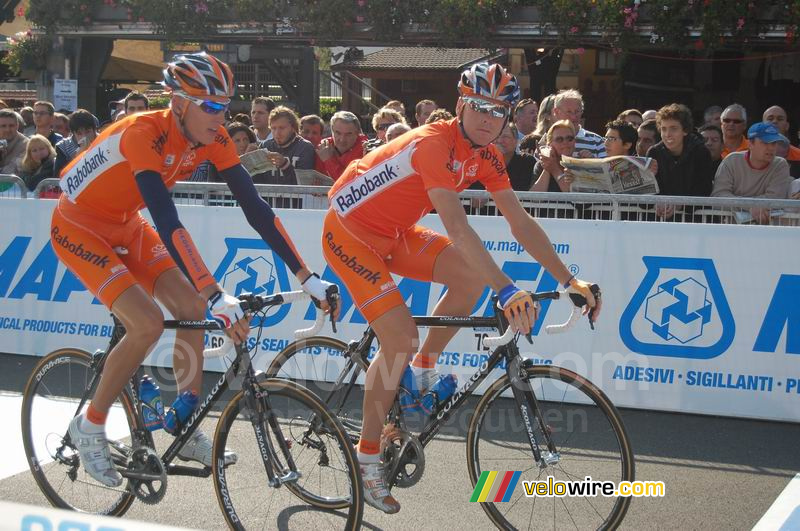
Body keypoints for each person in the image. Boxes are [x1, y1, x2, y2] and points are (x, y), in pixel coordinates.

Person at [322, 62, 599, 513]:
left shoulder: (488, 156)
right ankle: (367, 455)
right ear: (459, 106)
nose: (489, 119)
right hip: (349, 234)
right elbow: (457, 226)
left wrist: (569, 279)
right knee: (399, 337)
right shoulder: (433, 144)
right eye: (478, 107)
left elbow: (520, 223)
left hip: (393, 233)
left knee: (469, 279)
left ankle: (425, 364)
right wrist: (507, 288)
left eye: (499, 112)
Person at [53, 52, 336, 488]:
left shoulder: (214, 136)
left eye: (225, 106)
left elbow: (256, 209)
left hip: (126, 223)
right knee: (146, 323)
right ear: (180, 102)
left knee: (190, 308)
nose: (220, 116)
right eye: (210, 105)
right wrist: (214, 291)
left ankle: (183, 422)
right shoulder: (142, 133)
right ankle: (90, 425)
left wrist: (306, 275)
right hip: (79, 225)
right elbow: (168, 221)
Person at [712, 122, 792, 223]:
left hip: (768, 230)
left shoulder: (780, 165)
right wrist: (751, 206)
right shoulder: (731, 161)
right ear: (750, 144)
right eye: (765, 142)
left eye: (774, 143)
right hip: (730, 230)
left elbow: (774, 200)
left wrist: (740, 203)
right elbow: (718, 196)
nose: (771, 148)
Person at [647, 103, 714, 219]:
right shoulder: (654, 153)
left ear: (685, 130)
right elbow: (650, 190)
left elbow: (704, 189)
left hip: (694, 220)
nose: (668, 134)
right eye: (663, 129)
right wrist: (656, 202)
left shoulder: (701, 152)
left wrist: (680, 204)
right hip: (661, 220)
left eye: (673, 129)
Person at [256, 105, 316, 185]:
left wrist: (285, 165)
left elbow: (304, 183)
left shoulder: (305, 147)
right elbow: (257, 180)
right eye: (273, 128)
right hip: (268, 197)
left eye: (282, 128)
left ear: (293, 127)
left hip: (296, 197)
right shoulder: (265, 146)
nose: (277, 133)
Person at [315, 110, 367, 181]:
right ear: (332, 131)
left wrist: (328, 160)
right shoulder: (324, 146)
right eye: (338, 133)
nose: (342, 139)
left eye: (348, 134)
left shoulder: (366, 149)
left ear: (357, 133)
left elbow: (347, 183)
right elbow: (316, 181)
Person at [531, 120, 577, 192]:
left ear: (574, 142)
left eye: (569, 138)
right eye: (559, 139)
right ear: (550, 144)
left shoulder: (579, 165)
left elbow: (574, 196)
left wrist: (555, 170)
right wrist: (548, 167)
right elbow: (534, 198)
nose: (565, 142)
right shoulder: (541, 166)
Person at [53, 109, 99, 176]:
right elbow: (59, 176)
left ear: (94, 129)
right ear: (73, 133)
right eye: (79, 133)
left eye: (88, 132)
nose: (84, 137)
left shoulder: (103, 141)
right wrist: (78, 155)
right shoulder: (63, 147)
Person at [0, 108, 29, 175]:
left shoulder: (26, 145)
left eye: (11, 126)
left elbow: (10, 172)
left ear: (17, 126)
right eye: (3, 126)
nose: (7, 130)